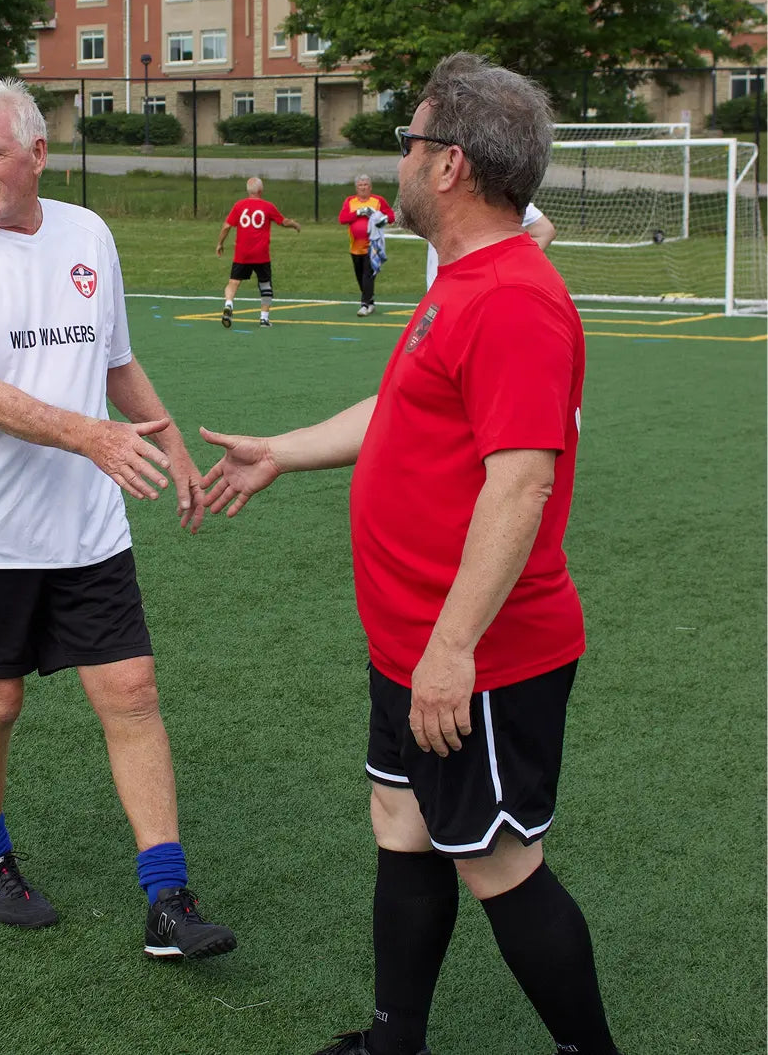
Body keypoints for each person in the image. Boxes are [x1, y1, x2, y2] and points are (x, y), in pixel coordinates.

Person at [199, 52, 623, 1055]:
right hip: (412, 642)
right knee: (401, 823)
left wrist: (451, 646)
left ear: (449, 166)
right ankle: (394, 1041)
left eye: (408, 140)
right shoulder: (462, 281)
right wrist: (281, 452)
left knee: (498, 862)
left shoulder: (512, 296)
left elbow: (520, 484)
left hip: (474, 653)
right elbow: (405, 412)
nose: (396, 161)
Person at [0, 77, 236, 960]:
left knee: (131, 692)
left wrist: (172, 448)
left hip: (88, 525)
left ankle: (168, 897)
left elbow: (114, 359)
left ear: (37, 153)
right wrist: (92, 437)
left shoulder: (88, 233)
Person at [215, 177, 300, 328]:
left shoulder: (239, 205)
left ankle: (228, 304)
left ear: (248, 191)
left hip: (242, 253)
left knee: (233, 282)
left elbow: (227, 226)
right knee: (265, 284)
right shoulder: (267, 206)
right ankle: (264, 319)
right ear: (261, 191)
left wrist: (220, 243)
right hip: (261, 254)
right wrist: (294, 224)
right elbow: (283, 222)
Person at [426, 201, 555, 290]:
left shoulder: (503, 197)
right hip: (444, 293)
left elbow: (544, 231)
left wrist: (504, 268)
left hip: (466, 296)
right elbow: (544, 231)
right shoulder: (442, 191)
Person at [338, 175, 394, 316]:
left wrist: (377, 216)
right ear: (356, 188)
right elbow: (343, 219)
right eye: (360, 185)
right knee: (360, 275)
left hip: (372, 245)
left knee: (367, 274)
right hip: (355, 246)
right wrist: (358, 212)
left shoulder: (378, 200)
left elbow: (391, 217)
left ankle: (364, 305)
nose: (363, 187)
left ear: (370, 187)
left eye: (365, 185)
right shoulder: (350, 201)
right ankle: (370, 302)